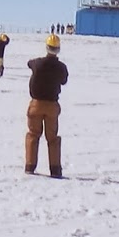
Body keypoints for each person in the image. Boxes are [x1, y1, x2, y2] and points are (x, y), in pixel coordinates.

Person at [25, 34, 69, 177]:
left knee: (33, 135)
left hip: (36, 104)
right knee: (53, 138)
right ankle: (55, 169)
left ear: (46, 47)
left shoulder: (38, 63)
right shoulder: (61, 67)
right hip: (52, 106)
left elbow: (29, 63)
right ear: (58, 49)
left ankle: (30, 166)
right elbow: (64, 81)